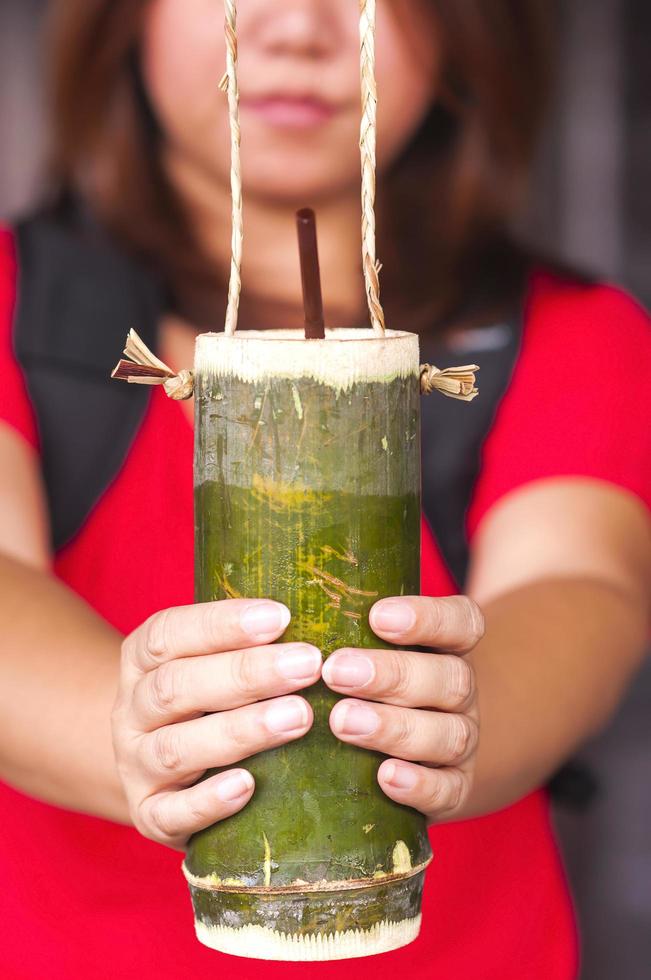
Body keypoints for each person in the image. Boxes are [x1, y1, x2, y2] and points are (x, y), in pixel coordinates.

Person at [0, 1, 649, 977]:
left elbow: (584, 583)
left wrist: (465, 714)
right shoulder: (17, 303)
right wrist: (131, 725)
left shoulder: (573, 333)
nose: (297, 28)